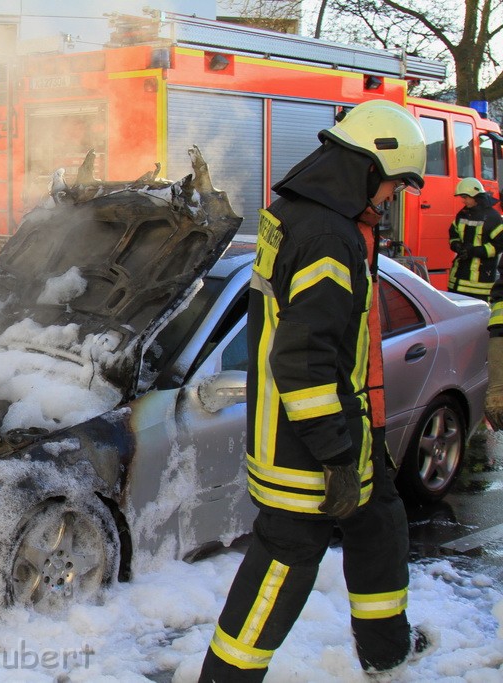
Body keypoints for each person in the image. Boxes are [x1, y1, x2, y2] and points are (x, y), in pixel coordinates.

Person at [198, 100, 433, 681]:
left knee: (380, 525)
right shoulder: (328, 238)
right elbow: (301, 360)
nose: (391, 201)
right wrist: (334, 456)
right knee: (283, 562)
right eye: (394, 187)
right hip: (306, 447)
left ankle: (386, 651)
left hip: (341, 427)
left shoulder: (301, 214)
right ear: (369, 170)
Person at [447, 177, 503, 301]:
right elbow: (453, 233)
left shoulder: (493, 217)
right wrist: (456, 245)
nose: (463, 201)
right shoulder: (462, 214)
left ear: (475, 195)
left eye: (465, 197)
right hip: (458, 279)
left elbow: (499, 245)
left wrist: (474, 251)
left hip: (481, 283)